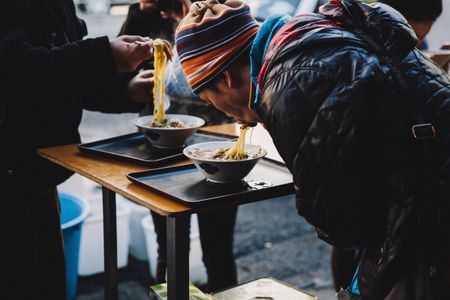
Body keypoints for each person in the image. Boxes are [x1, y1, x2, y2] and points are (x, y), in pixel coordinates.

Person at [174, 0, 450, 298]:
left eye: (208, 99)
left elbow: (341, 223)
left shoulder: (289, 86)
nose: (223, 112)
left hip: (428, 224)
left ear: (226, 78)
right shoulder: (312, 37)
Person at [0, 1, 156, 299]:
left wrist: (125, 89)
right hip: (6, 178)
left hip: (39, 175)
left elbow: (65, 73)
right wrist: (104, 55)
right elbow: (17, 70)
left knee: (49, 285)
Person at [119, 0, 237, 292]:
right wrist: (142, 11)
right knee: (169, 249)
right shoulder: (150, 17)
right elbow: (121, 67)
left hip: (216, 148)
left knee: (218, 249)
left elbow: (235, 66)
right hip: (162, 149)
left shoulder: (215, 11)